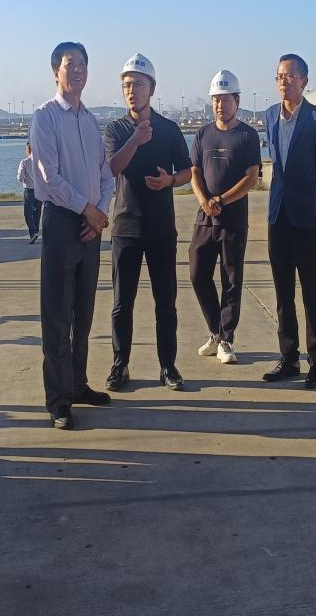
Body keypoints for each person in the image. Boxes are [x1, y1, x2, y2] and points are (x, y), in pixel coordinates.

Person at [30, 42, 115, 429]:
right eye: (70, 64)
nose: (77, 70)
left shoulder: (91, 121)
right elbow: (48, 176)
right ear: (56, 72)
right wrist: (86, 209)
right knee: (57, 315)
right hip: (64, 222)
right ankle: (58, 399)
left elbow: (105, 173)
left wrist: (99, 212)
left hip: (91, 226)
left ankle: (78, 383)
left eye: (82, 64)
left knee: (84, 312)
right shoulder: (45, 117)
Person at [103, 54, 192, 391]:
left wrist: (170, 181)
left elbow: (187, 171)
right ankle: (120, 364)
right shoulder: (115, 129)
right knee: (121, 304)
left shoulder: (169, 129)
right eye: (127, 85)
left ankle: (168, 366)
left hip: (161, 230)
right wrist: (136, 139)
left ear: (151, 89)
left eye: (138, 84)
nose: (132, 91)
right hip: (125, 228)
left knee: (165, 303)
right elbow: (112, 168)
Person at [261, 53, 316, 388]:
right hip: (278, 216)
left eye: (290, 76)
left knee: (312, 293)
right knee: (283, 293)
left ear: (304, 81)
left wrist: (310, 199)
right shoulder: (269, 116)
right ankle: (288, 358)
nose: (284, 82)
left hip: (307, 219)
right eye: (279, 76)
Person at [190, 70, 262, 364]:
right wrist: (204, 201)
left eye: (227, 100)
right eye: (216, 100)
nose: (221, 105)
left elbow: (251, 177)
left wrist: (221, 200)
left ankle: (226, 340)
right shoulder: (202, 134)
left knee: (231, 279)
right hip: (205, 217)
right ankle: (216, 331)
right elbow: (194, 172)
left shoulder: (247, 135)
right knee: (197, 274)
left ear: (237, 101)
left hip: (233, 220)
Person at [17, 142, 41, 243]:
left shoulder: (24, 162)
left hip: (29, 190)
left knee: (28, 213)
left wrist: (19, 177)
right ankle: (35, 231)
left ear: (28, 150)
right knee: (37, 213)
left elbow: (20, 177)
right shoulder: (40, 162)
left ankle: (32, 232)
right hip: (39, 190)